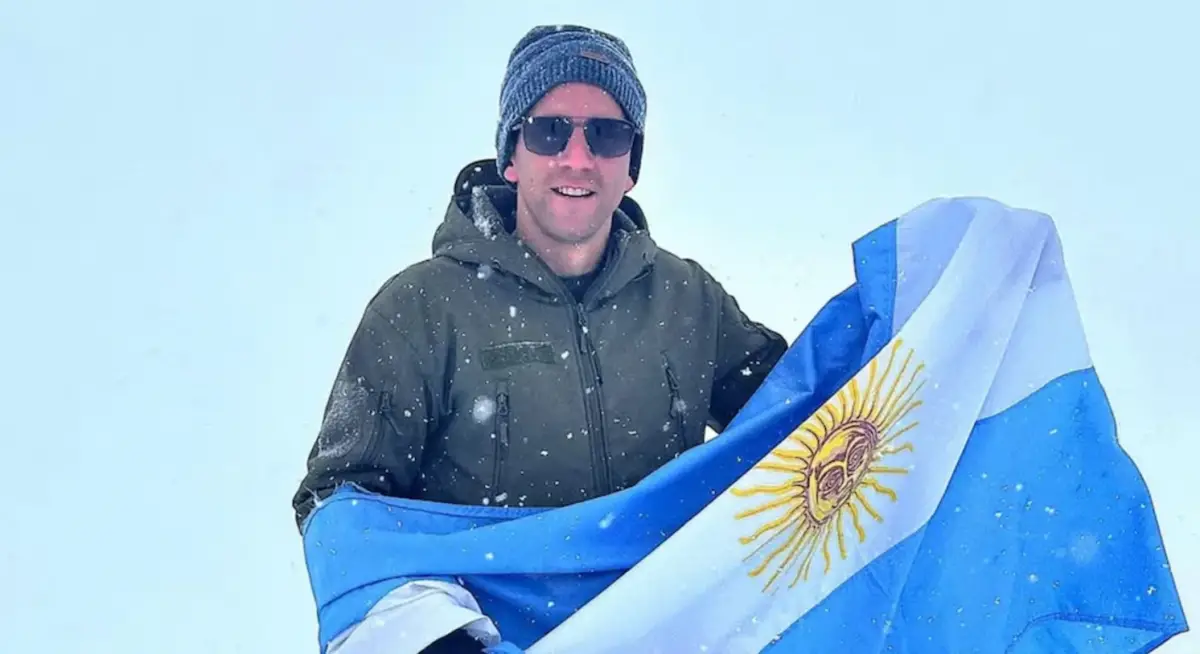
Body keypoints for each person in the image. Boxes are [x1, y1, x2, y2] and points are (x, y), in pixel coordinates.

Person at [292, 23, 789, 653]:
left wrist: (925, 338)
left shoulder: (686, 298)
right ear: (511, 155)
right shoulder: (419, 309)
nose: (576, 158)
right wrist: (433, 639)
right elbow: (338, 509)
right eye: (549, 130)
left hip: (666, 635)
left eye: (605, 134)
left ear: (630, 165)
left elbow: (809, 416)